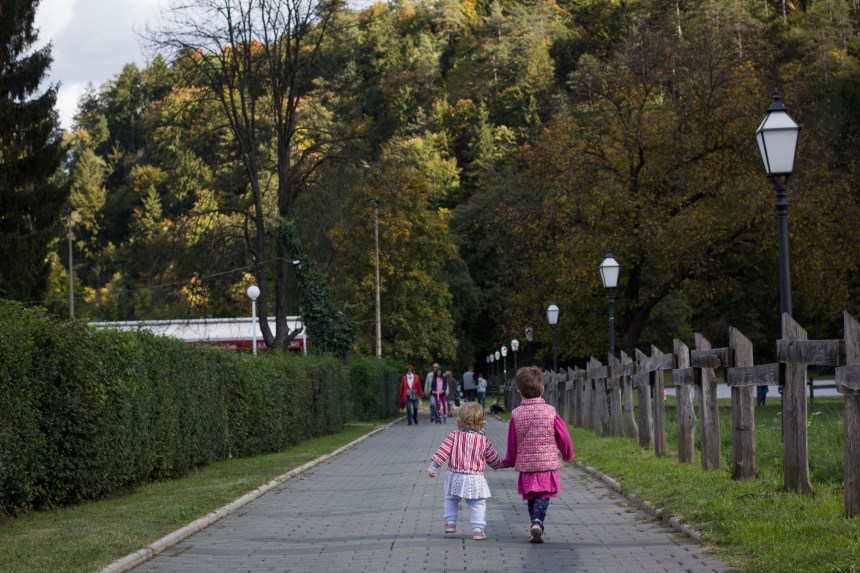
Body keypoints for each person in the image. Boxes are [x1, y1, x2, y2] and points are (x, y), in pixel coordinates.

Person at [502, 366, 574, 544]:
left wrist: (509, 460)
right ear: (542, 389)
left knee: (532, 496)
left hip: (527, 465)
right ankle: (537, 523)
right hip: (546, 464)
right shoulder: (551, 412)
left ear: (520, 391)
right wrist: (567, 453)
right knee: (543, 495)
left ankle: (535, 524)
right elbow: (563, 436)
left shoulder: (516, 415)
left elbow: (512, 442)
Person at [428, 402, 504, 540]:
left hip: (455, 475)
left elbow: (443, 451)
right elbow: (492, 458)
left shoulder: (454, 435)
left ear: (460, 418)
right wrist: (500, 464)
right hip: (475, 478)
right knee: (477, 504)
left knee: (451, 499)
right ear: (481, 421)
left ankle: (450, 523)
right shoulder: (483, 440)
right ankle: (478, 529)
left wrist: (433, 466)